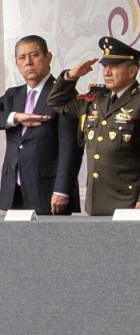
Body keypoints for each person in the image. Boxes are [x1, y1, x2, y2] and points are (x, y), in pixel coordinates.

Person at [47, 37, 140, 215]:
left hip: (130, 202)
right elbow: (56, 102)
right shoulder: (94, 99)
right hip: (95, 202)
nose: (107, 72)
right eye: (105, 67)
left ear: (132, 70)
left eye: (114, 67)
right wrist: (71, 75)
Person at [0, 35, 82, 214]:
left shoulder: (63, 94)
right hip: (14, 191)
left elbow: (70, 148)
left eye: (34, 55)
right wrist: (15, 117)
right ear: (16, 63)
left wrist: (62, 190)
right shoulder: (12, 96)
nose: (28, 62)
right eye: (22, 58)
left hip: (49, 192)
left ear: (48, 57)